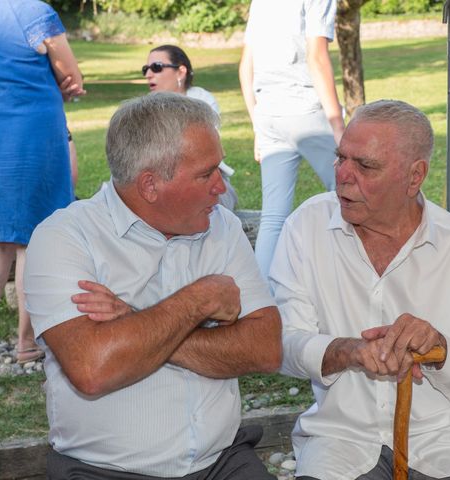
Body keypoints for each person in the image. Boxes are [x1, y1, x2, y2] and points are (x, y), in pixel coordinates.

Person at [23, 93, 282, 479]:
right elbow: (93, 369)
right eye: (206, 174)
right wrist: (200, 299)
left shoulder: (221, 227)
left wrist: (133, 321)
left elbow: (266, 349)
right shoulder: (64, 237)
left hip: (222, 463)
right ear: (150, 185)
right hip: (102, 471)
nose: (221, 188)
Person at [270, 100, 450, 480]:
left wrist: (441, 350)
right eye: (340, 158)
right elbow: (281, 345)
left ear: (415, 176)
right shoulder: (306, 228)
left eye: (365, 165)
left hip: (448, 440)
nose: (343, 176)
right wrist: (347, 350)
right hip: (341, 440)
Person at [0, 0, 84, 362]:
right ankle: (27, 342)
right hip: (32, 130)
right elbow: (69, 71)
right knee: (34, 235)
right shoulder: (35, 12)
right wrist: (70, 86)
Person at [239, 0, 346, 278]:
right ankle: (347, 282)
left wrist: (257, 126)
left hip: (268, 113)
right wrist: (338, 126)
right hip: (305, 108)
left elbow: (245, 66)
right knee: (350, 192)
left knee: (273, 217)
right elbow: (317, 58)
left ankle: (261, 304)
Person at [143, 44, 238, 211]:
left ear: (181, 71)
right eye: (146, 69)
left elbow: (201, 150)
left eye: (156, 67)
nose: (149, 75)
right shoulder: (146, 108)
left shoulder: (201, 100)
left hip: (202, 181)